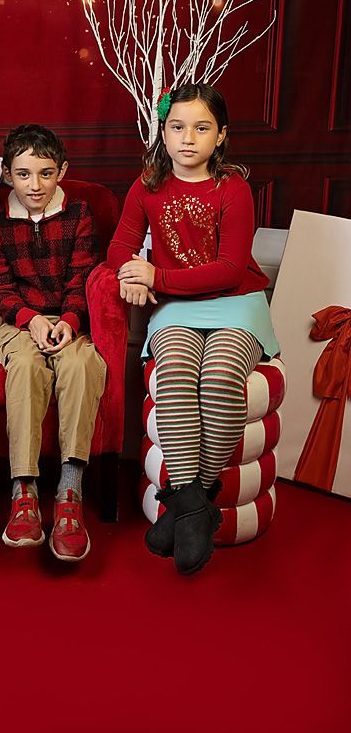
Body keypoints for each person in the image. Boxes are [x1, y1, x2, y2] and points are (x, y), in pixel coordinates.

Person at [106, 82, 279, 576]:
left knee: (220, 376)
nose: (187, 138)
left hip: (235, 303)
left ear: (220, 135)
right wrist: (130, 275)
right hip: (177, 308)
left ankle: (186, 506)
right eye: (177, 127)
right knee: (178, 374)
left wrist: (155, 277)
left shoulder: (233, 188)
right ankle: (196, 508)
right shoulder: (147, 185)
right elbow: (119, 247)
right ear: (162, 132)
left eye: (201, 128)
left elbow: (229, 269)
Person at [0, 124, 107, 562]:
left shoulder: (79, 213)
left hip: (70, 319)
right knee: (26, 368)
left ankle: (70, 493)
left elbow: (83, 276)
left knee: (81, 365)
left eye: (46, 173)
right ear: (6, 174)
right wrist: (30, 320)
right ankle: (24, 492)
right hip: (18, 323)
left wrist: (69, 321)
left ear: (62, 171)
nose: (34, 185)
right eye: (23, 174)